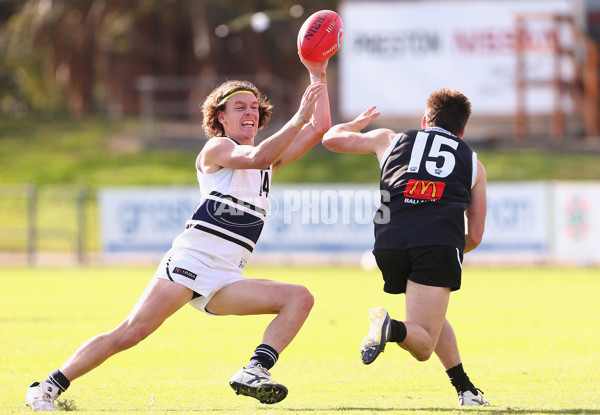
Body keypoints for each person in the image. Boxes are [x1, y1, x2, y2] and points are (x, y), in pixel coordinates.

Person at [25, 57, 331, 411]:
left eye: (254, 107)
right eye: (239, 107)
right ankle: (47, 386)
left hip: (226, 276)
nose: (249, 112)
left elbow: (321, 126)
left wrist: (317, 72)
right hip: (191, 261)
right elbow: (260, 155)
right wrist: (297, 117)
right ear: (221, 117)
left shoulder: (268, 160)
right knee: (131, 332)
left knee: (299, 298)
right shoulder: (219, 148)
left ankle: (254, 370)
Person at [322, 88, 489, 407]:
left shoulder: (389, 138)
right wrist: (444, 251)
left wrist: (356, 124)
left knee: (430, 319)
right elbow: (475, 235)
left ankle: (465, 389)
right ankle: (389, 327)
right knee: (422, 345)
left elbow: (331, 139)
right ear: (462, 131)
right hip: (436, 245)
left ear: (425, 121)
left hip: (388, 244)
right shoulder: (472, 163)